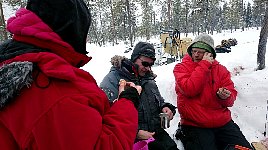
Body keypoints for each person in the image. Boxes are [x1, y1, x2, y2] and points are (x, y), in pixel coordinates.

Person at [0, 0, 142, 149]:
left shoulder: (14, 60)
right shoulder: (56, 90)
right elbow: (104, 145)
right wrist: (128, 101)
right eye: (83, 32)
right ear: (71, 30)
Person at [173, 33, 252, 150]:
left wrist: (226, 96)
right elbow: (190, 89)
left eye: (200, 52)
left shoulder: (221, 70)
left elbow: (230, 100)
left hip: (222, 122)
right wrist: (204, 65)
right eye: (194, 51)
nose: (195, 54)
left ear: (210, 53)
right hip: (195, 124)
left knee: (243, 148)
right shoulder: (181, 68)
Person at [100, 42, 178, 150]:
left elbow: (159, 101)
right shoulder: (113, 79)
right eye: (145, 64)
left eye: (151, 65)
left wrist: (166, 107)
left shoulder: (149, 79)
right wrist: (135, 132)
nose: (148, 68)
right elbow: (105, 118)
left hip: (155, 134)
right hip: (129, 139)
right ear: (135, 58)